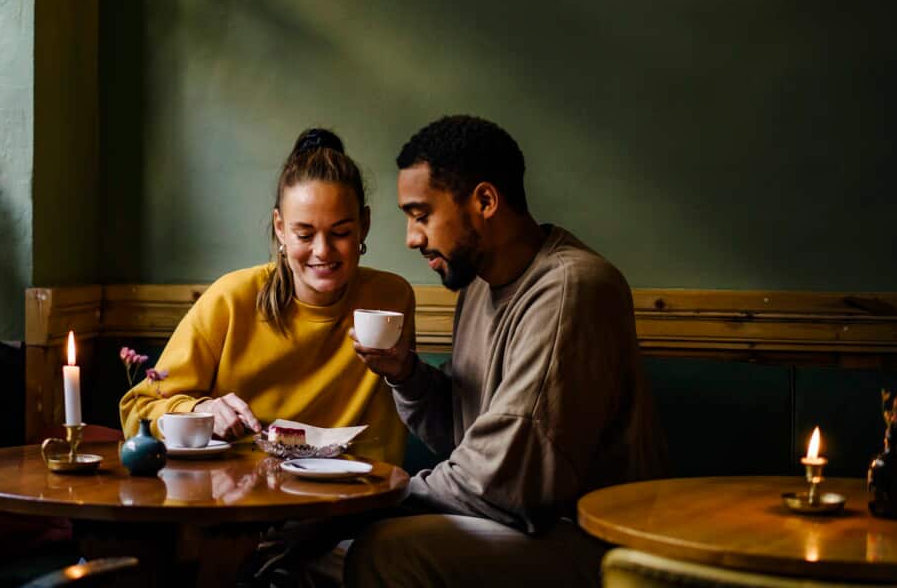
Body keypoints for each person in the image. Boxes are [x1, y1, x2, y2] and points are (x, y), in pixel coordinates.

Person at [345, 115, 666, 587]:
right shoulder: (477, 286)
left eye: (421, 214)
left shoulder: (571, 289)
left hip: (595, 544)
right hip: (516, 528)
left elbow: (503, 480)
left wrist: (359, 507)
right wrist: (406, 374)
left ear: (485, 201)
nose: (411, 238)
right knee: (319, 561)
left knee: (387, 552)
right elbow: (468, 434)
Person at [119, 128, 411, 464]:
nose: (322, 250)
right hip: (241, 503)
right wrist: (200, 409)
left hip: (356, 501)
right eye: (304, 233)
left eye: (341, 233)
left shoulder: (391, 298)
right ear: (280, 227)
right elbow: (137, 410)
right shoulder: (231, 299)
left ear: (365, 225)